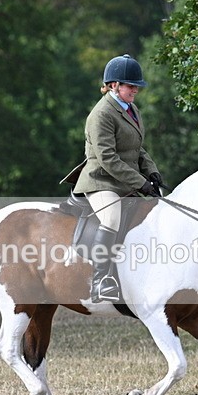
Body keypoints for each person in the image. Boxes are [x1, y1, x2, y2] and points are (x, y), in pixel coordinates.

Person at [73, 54, 164, 303]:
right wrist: (140, 183)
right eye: (130, 85)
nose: (135, 90)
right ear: (114, 85)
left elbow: (136, 149)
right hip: (101, 180)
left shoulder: (131, 109)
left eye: (136, 86)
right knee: (111, 217)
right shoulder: (101, 114)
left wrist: (152, 171)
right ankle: (100, 281)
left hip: (124, 179)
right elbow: (108, 158)